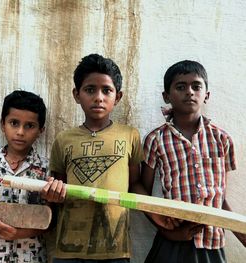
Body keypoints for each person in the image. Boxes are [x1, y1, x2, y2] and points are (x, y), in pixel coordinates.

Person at [42, 53, 144, 262]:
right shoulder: (64, 139)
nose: (99, 97)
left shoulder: (129, 135)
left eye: (107, 90)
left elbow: (134, 185)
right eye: (90, 90)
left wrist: (158, 214)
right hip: (69, 248)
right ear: (77, 95)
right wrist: (52, 195)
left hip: (114, 248)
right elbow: (58, 187)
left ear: (118, 97)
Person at [141, 60, 246, 263]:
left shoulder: (222, 140)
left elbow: (220, 195)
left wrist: (238, 229)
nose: (189, 92)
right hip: (172, 240)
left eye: (196, 86)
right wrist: (166, 231)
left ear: (206, 95)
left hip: (211, 240)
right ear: (167, 96)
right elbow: (144, 196)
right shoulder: (156, 139)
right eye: (180, 87)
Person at [0, 90, 49, 263]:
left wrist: (20, 233)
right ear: (2, 124)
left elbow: (50, 220)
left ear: (41, 130)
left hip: (31, 257)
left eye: (29, 126)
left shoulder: (46, 170)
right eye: (14, 123)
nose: (20, 132)